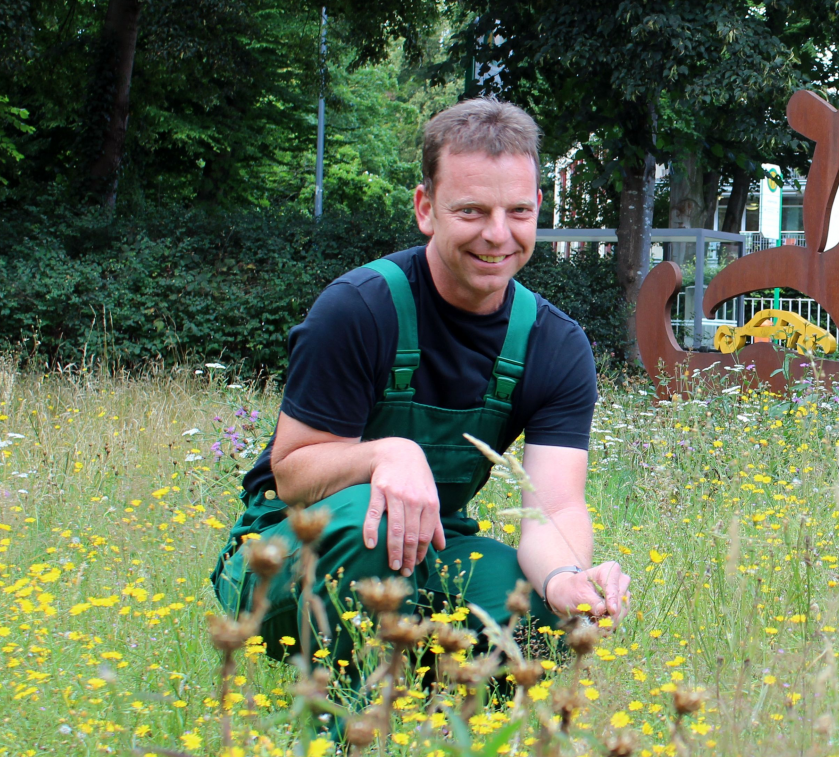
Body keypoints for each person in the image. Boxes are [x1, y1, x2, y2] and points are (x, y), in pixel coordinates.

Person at [210, 98, 629, 675]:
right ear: (426, 208)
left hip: (431, 547)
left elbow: (554, 507)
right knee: (372, 521)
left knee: (532, 606)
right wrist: (389, 453)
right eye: (472, 212)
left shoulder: (554, 345)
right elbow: (291, 470)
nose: (497, 235)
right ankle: (336, 717)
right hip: (287, 550)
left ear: (538, 208)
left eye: (517, 212)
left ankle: (442, 710)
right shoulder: (358, 309)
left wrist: (565, 580)